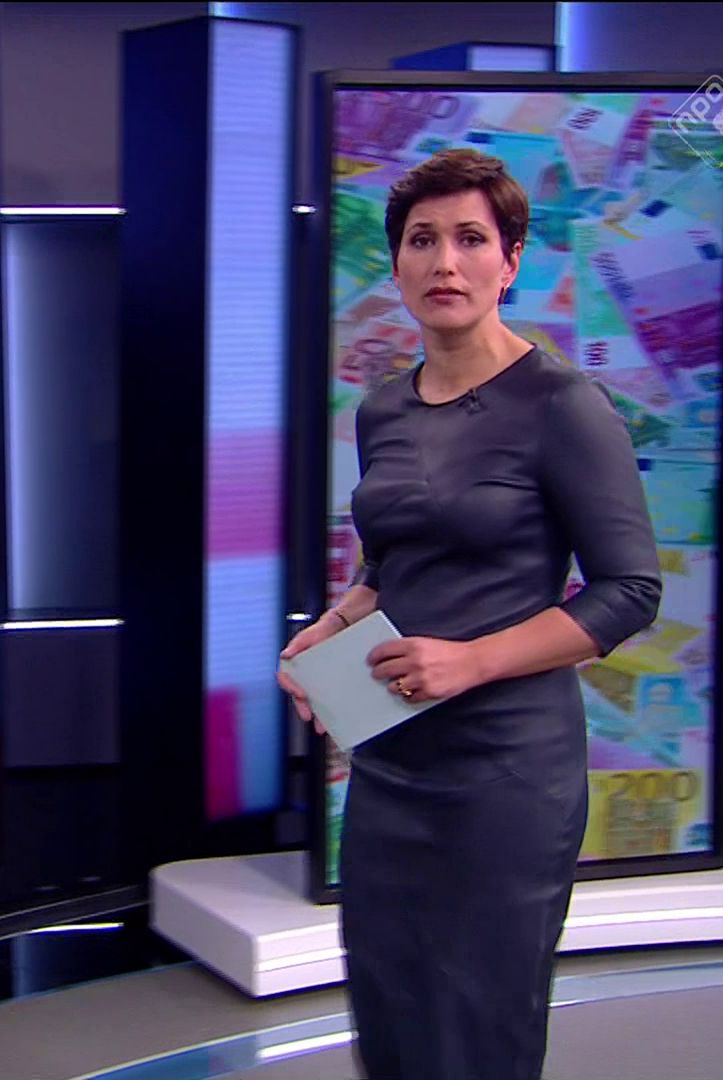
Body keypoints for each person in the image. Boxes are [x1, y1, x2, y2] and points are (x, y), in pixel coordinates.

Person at [278, 149, 662, 1080]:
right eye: (422, 241)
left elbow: (628, 592)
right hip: (394, 759)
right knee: (392, 1008)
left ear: (511, 260)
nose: (444, 262)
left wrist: (471, 660)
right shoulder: (382, 410)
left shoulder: (564, 405)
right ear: (396, 263)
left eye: (470, 239)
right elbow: (396, 556)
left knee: (476, 1026)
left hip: (506, 772)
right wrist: (340, 620)